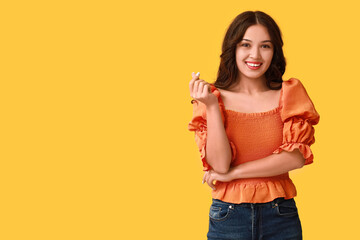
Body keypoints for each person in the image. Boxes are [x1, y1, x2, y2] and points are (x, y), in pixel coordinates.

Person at [188, 11, 320, 240]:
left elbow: (295, 158)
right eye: (246, 45)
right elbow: (220, 164)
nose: (255, 55)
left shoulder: (289, 93)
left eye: (265, 46)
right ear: (233, 49)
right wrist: (210, 106)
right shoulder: (212, 98)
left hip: (280, 214)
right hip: (228, 217)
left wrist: (234, 174)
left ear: (274, 51)